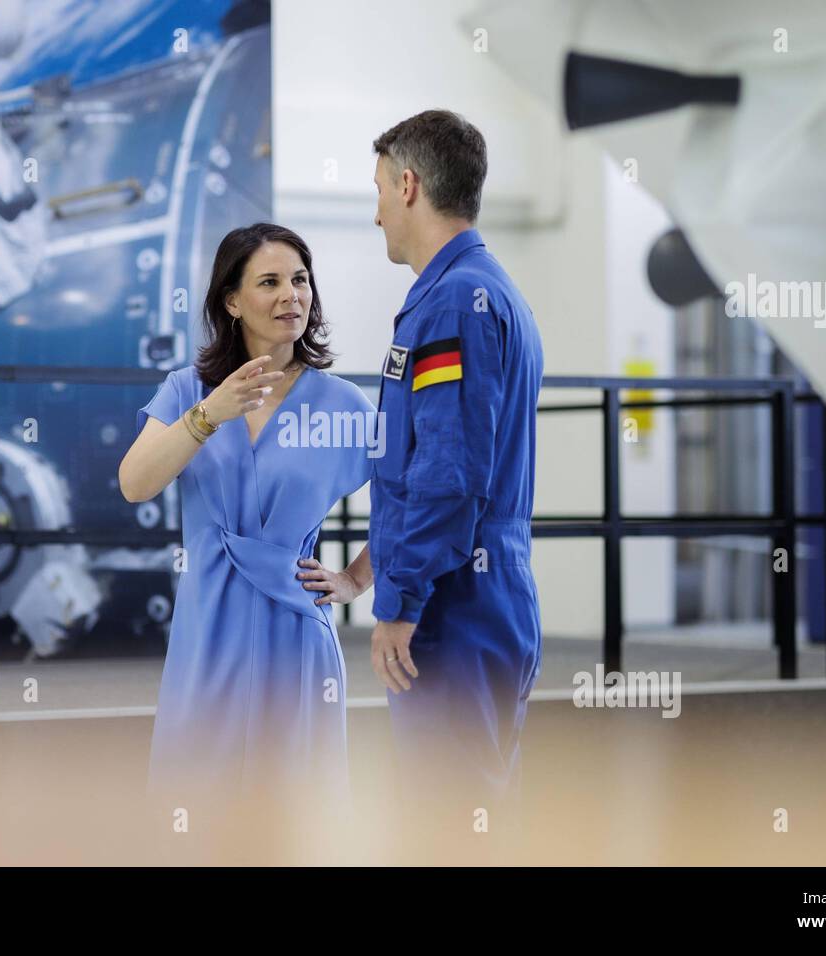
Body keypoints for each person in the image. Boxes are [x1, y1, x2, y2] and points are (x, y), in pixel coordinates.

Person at [119, 222, 378, 842]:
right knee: (197, 818)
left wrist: (355, 580)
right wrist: (209, 416)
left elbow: (410, 503)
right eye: (270, 282)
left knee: (294, 824)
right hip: (208, 634)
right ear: (231, 301)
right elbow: (135, 482)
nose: (292, 294)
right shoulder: (190, 390)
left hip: (299, 635)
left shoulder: (343, 404)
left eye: (300, 279)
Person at [367, 109, 545, 837]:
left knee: (445, 826)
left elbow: (447, 471)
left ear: (409, 186)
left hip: (452, 602)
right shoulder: (487, 290)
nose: (374, 211)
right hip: (485, 587)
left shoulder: (451, 304)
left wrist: (400, 602)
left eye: (378, 189)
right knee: (474, 816)